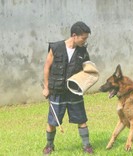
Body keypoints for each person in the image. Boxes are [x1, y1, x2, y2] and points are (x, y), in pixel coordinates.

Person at [42, 21, 94, 155]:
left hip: (74, 92)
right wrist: (46, 87)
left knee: (81, 119)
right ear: (74, 35)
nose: (85, 40)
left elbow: (87, 70)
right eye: (83, 38)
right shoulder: (56, 47)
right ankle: (49, 145)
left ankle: (87, 146)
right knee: (53, 121)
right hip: (57, 91)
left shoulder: (83, 51)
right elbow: (47, 67)